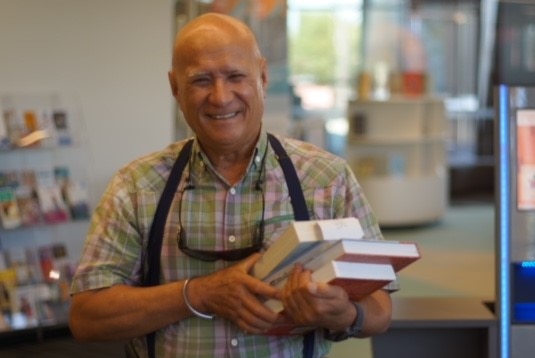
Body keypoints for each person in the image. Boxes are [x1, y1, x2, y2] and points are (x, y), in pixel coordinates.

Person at [69, 13, 393, 357]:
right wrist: (199, 294)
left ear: (263, 77)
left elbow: (380, 308)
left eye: (236, 76)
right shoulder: (135, 187)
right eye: (201, 80)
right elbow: (87, 317)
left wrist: (346, 313)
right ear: (175, 88)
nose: (221, 97)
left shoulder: (328, 179)